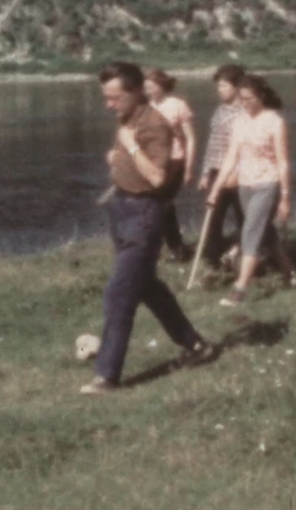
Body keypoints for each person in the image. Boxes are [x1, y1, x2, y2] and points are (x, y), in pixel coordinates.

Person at [82, 61, 213, 396]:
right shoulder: (129, 117)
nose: (108, 105)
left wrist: (131, 147)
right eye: (106, 97)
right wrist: (118, 157)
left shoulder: (155, 124)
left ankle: (107, 377)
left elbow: (157, 177)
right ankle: (196, 346)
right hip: (122, 209)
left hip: (144, 214)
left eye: (114, 98)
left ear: (136, 91)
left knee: (119, 295)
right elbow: (129, 154)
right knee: (147, 286)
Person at [206, 74, 293, 306]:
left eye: (249, 99)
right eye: (242, 99)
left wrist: (285, 197)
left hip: (268, 183)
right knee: (266, 233)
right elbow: (230, 158)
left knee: (250, 232)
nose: (245, 104)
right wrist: (215, 190)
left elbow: (283, 161)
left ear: (261, 96)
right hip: (245, 184)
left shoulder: (275, 121)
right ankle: (289, 273)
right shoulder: (239, 122)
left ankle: (239, 289)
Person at [196, 64, 246, 267]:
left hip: (239, 172)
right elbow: (212, 144)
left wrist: (238, 171)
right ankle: (212, 260)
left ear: (236, 87)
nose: (219, 90)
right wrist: (206, 173)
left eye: (224, 86)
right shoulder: (219, 111)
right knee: (213, 216)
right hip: (218, 170)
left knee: (244, 217)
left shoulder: (246, 111)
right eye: (218, 86)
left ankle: (242, 255)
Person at [143, 69, 195, 261]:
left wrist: (189, 167)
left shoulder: (178, 105)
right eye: (145, 87)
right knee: (156, 204)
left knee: (163, 203)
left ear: (161, 85)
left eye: (150, 86)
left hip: (175, 159)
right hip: (154, 162)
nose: (147, 90)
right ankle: (174, 247)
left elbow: (190, 138)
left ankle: (177, 249)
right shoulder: (146, 107)